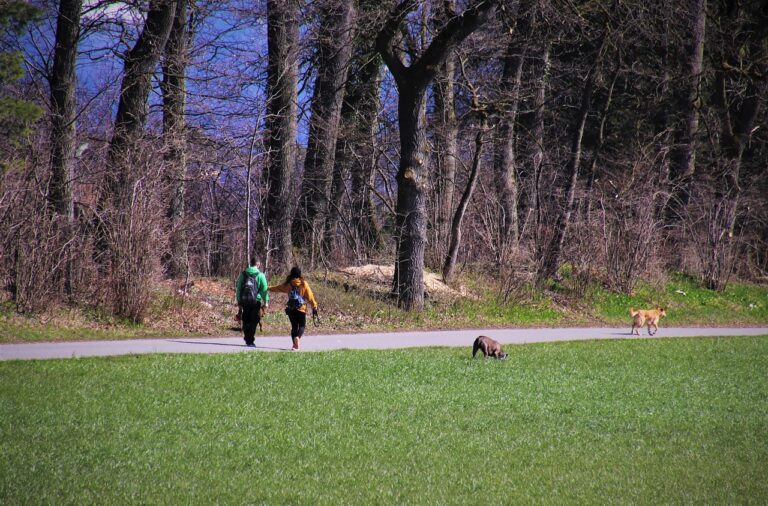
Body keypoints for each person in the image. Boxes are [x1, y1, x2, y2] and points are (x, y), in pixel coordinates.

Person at [268, 266, 318, 351]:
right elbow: (310, 296)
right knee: (302, 326)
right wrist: (314, 306)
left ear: (291, 274)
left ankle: (294, 346)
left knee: (294, 327)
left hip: (291, 309)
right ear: (300, 274)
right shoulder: (304, 284)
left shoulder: (288, 284)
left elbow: (278, 288)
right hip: (301, 309)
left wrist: (268, 287)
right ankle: (297, 338)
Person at [235, 257, 269, 346]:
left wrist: (238, 300)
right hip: (256, 301)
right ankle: (250, 340)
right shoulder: (260, 275)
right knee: (254, 320)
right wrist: (266, 301)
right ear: (258, 264)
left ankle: (247, 338)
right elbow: (264, 289)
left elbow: (238, 288)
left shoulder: (243, 274)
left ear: (251, 263)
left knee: (246, 319)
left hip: (245, 300)